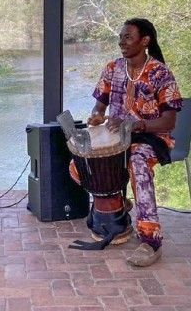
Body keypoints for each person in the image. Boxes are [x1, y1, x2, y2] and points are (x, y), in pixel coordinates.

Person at [70, 18, 182, 267]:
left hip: (152, 136)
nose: (121, 41)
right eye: (120, 37)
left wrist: (137, 125)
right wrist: (97, 116)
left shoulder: (160, 74)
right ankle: (118, 204)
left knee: (137, 161)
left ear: (145, 41)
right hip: (117, 135)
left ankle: (151, 241)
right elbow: (99, 106)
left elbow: (169, 122)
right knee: (78, 166)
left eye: (128, 37)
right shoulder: (112, 68)